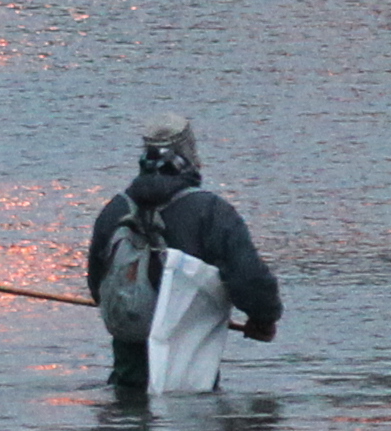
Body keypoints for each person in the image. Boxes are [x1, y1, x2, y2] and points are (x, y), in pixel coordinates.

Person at [85, 115, 280, 396]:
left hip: (129, 358)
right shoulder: (211, 212)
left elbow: (98, 287)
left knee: (128, 404)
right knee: (189, 407)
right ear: (191, 153)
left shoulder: (114, 210)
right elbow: (249, 279)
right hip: (188, 357)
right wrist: (263, 320)